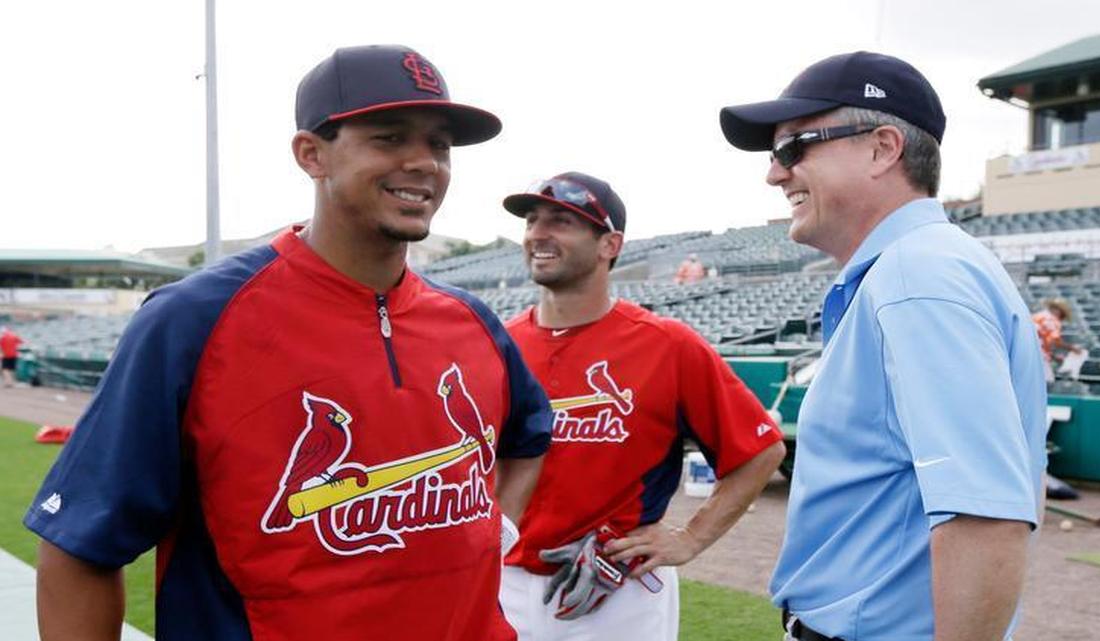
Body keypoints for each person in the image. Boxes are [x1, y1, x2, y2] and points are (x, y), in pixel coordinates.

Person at [25, 45, 552, 641]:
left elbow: (529, 437)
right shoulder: (193, 320)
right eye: (388, 137)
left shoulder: (473, 323)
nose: (424, 162)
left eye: (438, 144)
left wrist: (484, 531)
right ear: (312, 155)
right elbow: (79, 548)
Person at [720, 52, 1046, 641]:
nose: (775, 173)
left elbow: (984, 516)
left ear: (883, 148)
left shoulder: (918, 275)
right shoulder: (920, 267)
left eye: (795, 147)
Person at [497, 171, 786, 640]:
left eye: (561, 221)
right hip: (505, 579)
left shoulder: (667, 345)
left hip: (617, 588)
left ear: (609, 244)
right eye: (532, 220)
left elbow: (761, 452)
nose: (538, 234)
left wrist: (690, 537)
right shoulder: (500, 345)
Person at [1031, 298, 1082, 382]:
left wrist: (1053, 357)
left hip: (1028, 353)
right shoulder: (1053, 320)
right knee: (1048, 382)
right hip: (1039, 356)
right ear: (1058, 310)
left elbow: (1043, 341)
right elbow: (1055, 341)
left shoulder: (1036, 316)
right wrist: (1073, 348)